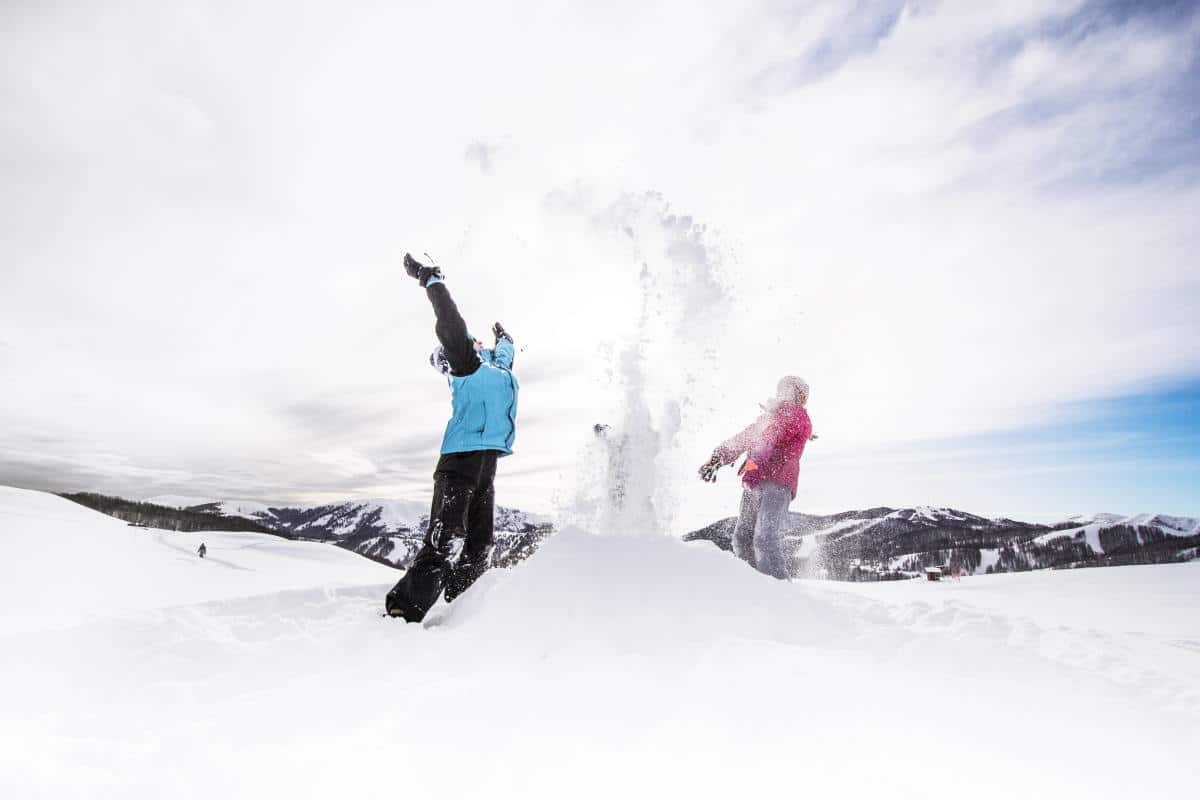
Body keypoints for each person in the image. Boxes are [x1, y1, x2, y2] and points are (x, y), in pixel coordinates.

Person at [385, 253, 520, 622]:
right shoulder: (467, 364)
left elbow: (506, 353)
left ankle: (461, 607)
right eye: (446, 356)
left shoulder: (494, 362)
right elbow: (449, 321)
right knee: (445, 540)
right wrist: (432, 280)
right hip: (459, 465)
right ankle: (404, 608)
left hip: (486, 465)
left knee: (479, 547)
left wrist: (505, 338)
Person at [698, 376, 815, 579]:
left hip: (777, 484)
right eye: (784, 388)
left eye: (792, 390)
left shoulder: (797, 416)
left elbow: (772, 435)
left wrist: (755, 460)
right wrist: (717, 458)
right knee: (742, 538)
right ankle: (752, 587)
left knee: (764, 538)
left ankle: (781, 592)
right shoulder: (768, 417)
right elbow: (744, 438)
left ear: (800, 397)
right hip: (753, 483)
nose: (786, 393)